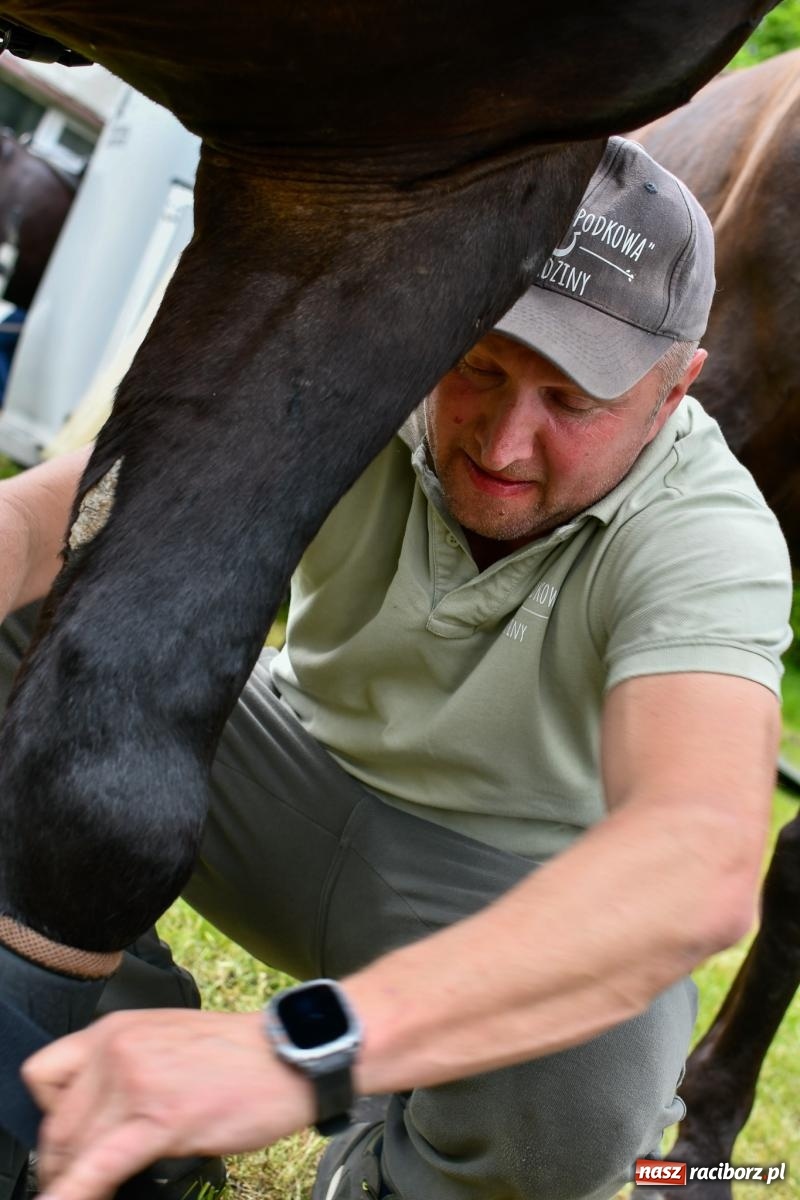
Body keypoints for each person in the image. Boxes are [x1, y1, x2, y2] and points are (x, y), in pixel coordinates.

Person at [1, 137, 792, 1200]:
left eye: (573, 401)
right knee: (40, 624)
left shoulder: (712, 535)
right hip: (276, 779)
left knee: (608, 1055)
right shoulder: (355, 371)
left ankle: (382, 1178)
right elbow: (45, 525)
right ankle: (115, 1069)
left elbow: (694, 864)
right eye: (480, 365)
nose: (506, 444)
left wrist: (299, 1052)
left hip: (497, 883)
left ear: (673, 387)